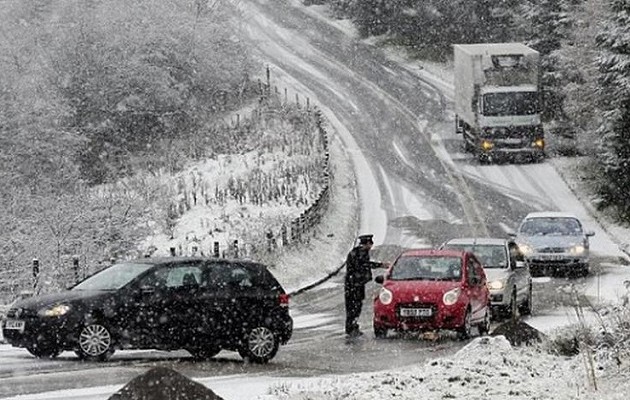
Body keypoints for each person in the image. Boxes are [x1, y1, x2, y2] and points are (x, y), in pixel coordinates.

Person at [344, 234, 383, 337]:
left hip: (354, 284)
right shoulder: (360, 253)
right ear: (367, 244)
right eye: (370, 244)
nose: (371, 247)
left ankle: (352, 326)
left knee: (354, 307)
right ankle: (351, 328)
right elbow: (364, 265)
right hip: (355, 285)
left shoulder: (358, 252)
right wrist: (380, 265)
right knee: (355, 307)